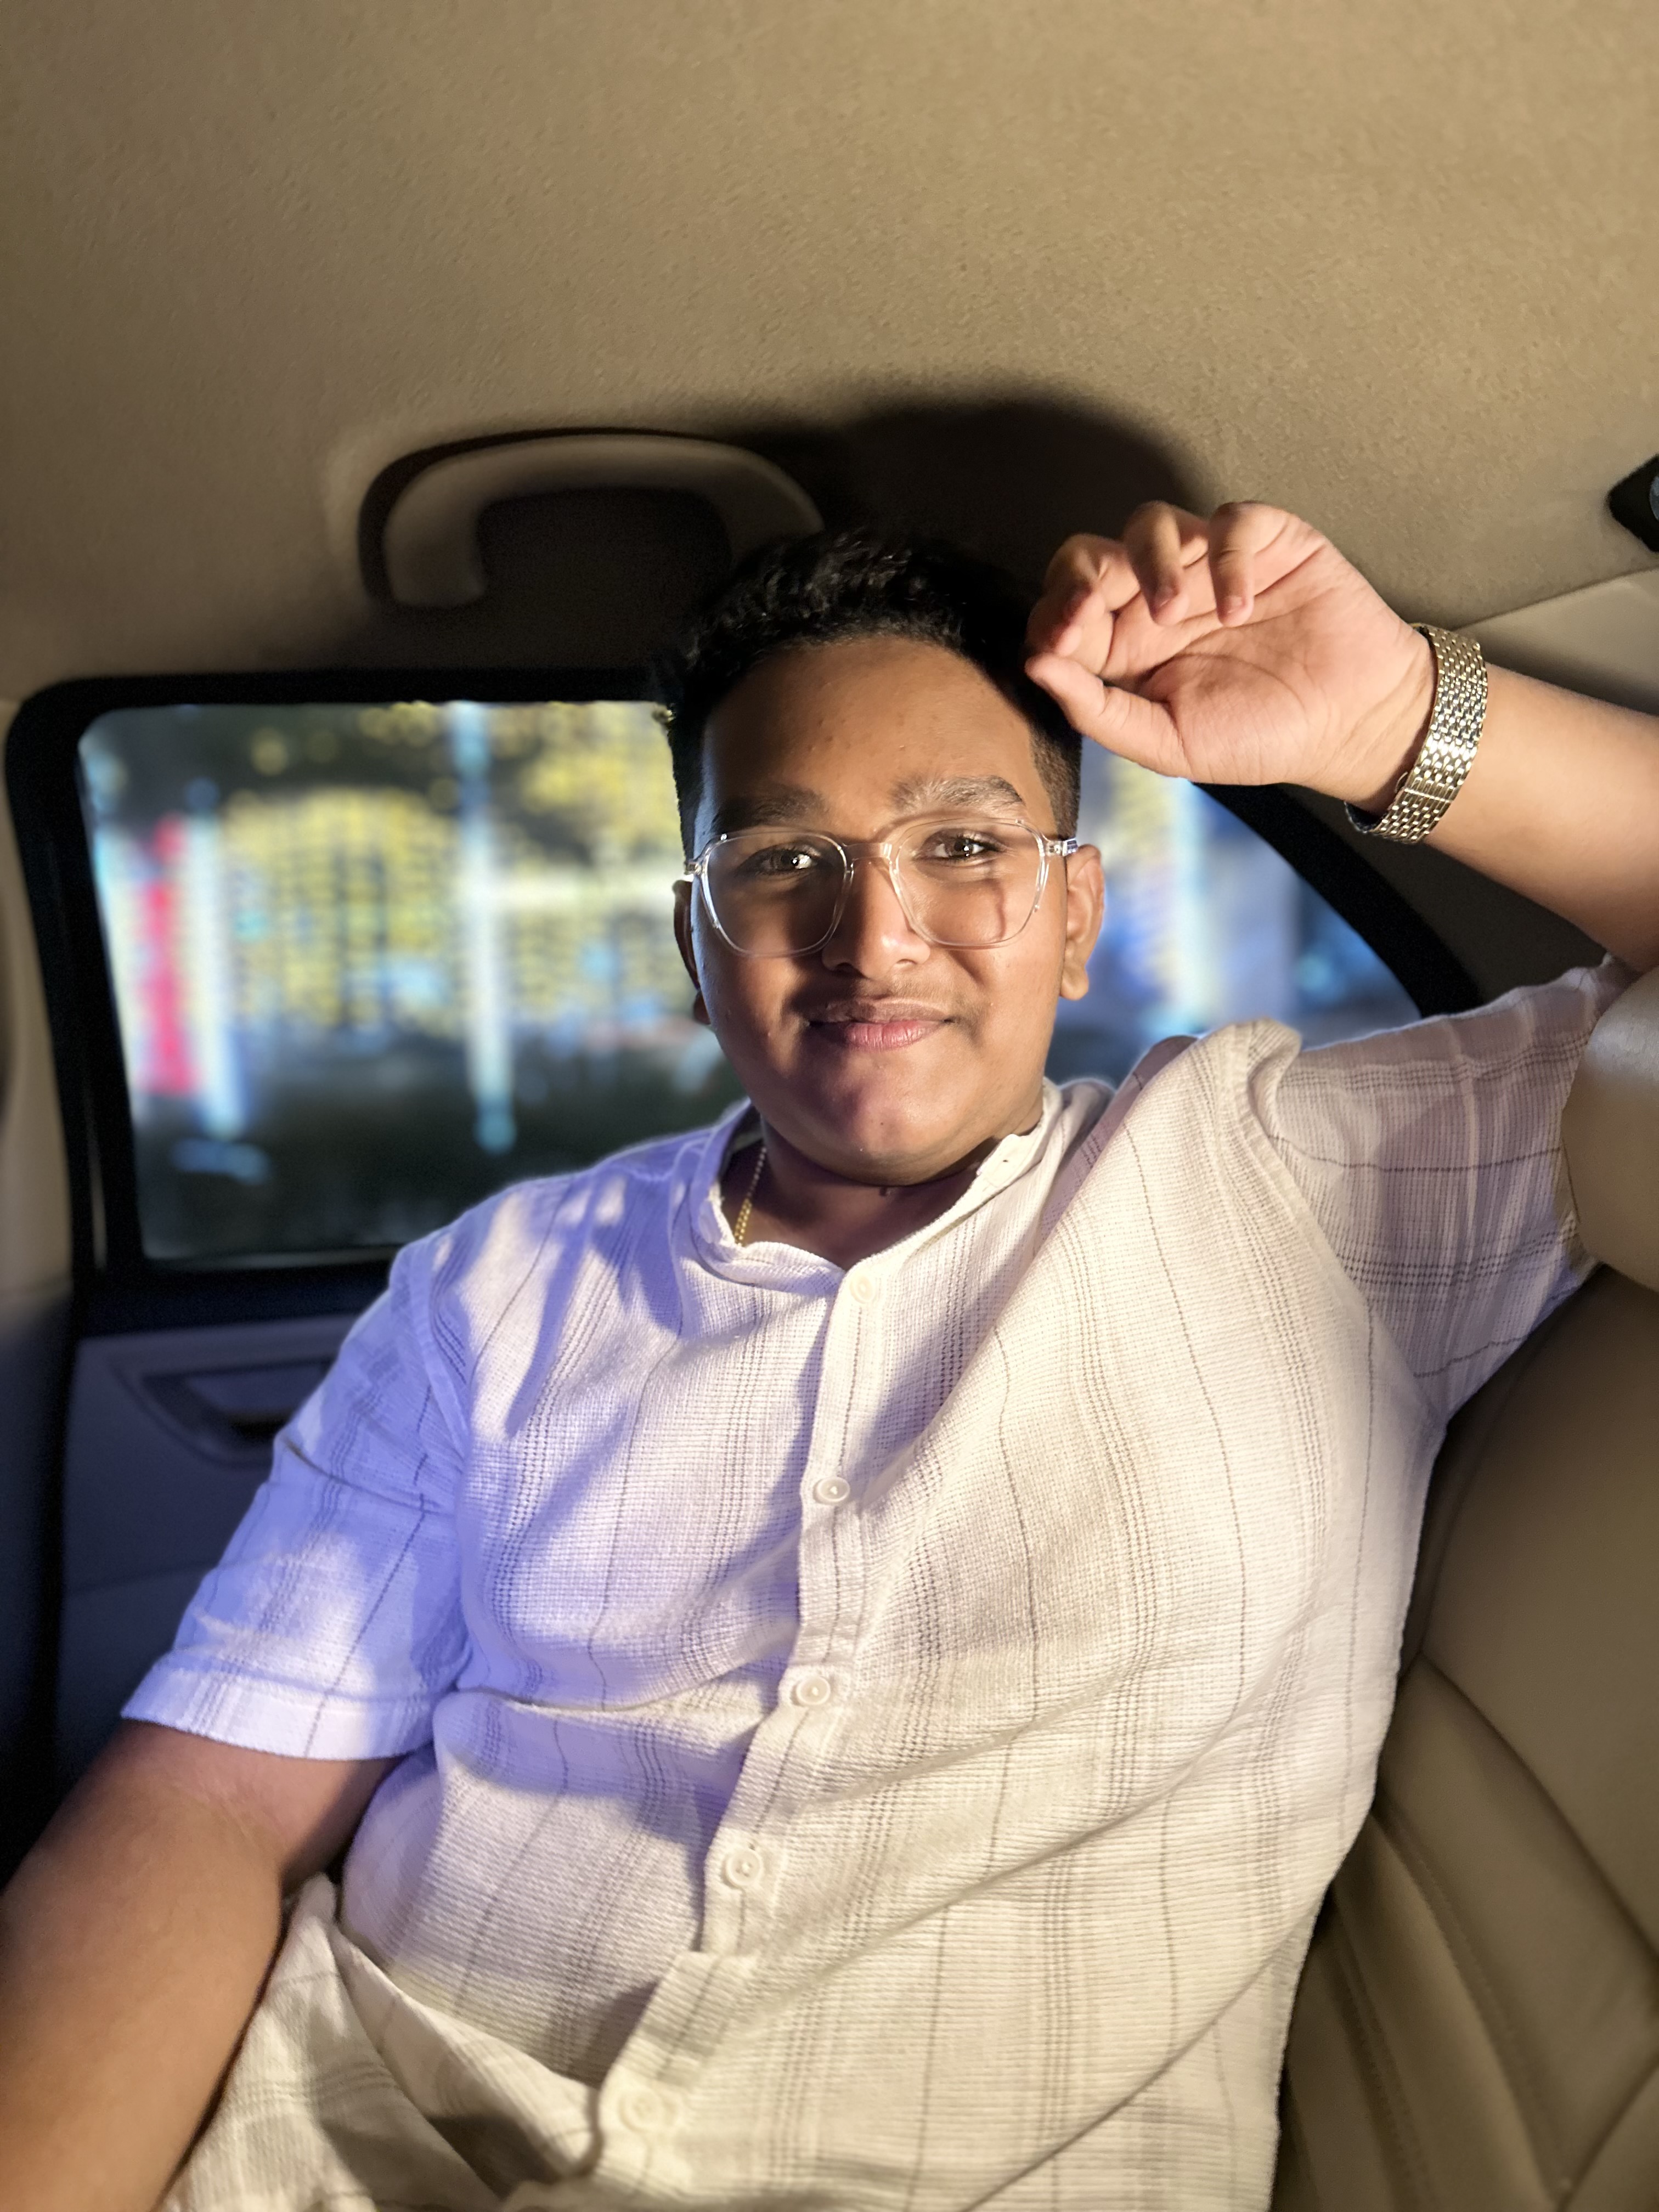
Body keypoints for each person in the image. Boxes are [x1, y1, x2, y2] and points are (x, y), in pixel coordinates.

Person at [1, 501, 1656, 2212]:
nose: (874, 939)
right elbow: (207, 1802)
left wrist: (1390, 721)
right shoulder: (491, 1288)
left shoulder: (1295, 1179)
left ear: (1074, 914)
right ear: (694, 943)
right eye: (782, 863)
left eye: (964, 845)